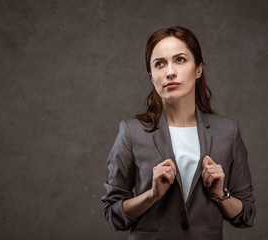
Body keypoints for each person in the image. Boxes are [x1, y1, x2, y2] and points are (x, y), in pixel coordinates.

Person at [101, 26, 255, 240]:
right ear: (151, 75)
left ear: (198, 69)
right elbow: (112, 214)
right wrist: (151, 195)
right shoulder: (131, 132)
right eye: (160, 64)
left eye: (180, 60)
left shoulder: (228, 131)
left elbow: (246, 215)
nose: (170, 71)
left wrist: (220, 194)